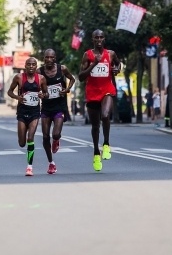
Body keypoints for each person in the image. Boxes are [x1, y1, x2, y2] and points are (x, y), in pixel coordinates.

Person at [78, 29, 121, 172]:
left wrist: (116, 69)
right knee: (95, 126)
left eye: (101, 37)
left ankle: (106, 144)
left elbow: (118, 64)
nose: (99, 40)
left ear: (104, 39)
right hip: (92, 92)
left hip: (107, 89)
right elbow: (81, 77)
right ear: (92, 39)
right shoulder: (87, 55)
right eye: (96, 37)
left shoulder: (111, 54)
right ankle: (96, 152)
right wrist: (93, 64)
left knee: (105, 115)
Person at [39, 49, 76, 174]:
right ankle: (51, 163)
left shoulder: (62, 69)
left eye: (51, 57)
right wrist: (40, 93)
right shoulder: (39, 72)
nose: (49, 59)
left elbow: (72, 79)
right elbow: (34, 85)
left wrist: (67, 89)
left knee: (55, 134)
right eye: (47, 57)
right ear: (44, 58)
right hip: (46, 107)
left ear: (55, 58)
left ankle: (56, 140)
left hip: (59, 106)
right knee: (45, 136)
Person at [7, 57, 44, 176]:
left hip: (34, 112)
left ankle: (29, 167)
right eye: (29, 64)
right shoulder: (19, 77)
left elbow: (46, 93)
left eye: (33, 64)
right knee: (22, 143)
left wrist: (42, 95)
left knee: (30, 138)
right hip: (22, 112)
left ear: (36, 66)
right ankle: (23, 141)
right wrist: (18, 98)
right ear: (25, 66)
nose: (31, 66)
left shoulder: (41, 78)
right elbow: (9, 92)